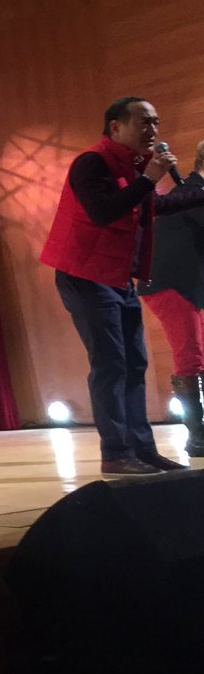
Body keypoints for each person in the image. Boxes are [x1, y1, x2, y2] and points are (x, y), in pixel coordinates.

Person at [41, 97, 204, 475]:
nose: (153, 130)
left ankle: (142, 450)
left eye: (156, 123)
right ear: (115, 127)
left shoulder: (133, 167)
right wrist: (150, 178)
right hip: (84, 276)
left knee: (135, 364)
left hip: (118, 277)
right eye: (144, 122)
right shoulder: (91, 163)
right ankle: (116, 453)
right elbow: (103, 211)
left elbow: (151, 208)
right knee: (111, 365)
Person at [138, 140, 204, 458]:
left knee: (195, 356)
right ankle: (198, 437)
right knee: (190, 357)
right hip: (171, 284)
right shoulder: (192, 194)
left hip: (186, 284)